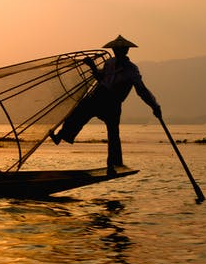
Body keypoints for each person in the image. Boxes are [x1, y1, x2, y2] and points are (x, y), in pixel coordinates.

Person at [49, 35, 161, 172]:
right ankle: (61, 136)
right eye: (115, 50)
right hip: (99, 96)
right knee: (79, 111)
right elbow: (101, 78)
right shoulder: (109, 63)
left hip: (113, 103)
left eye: (120, 50)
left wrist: (154, 106)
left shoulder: (131, 70)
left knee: (113, 133)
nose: (117, 52)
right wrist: (92, 66)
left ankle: (113, 164)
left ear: (126, 51)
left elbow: (141, 90)